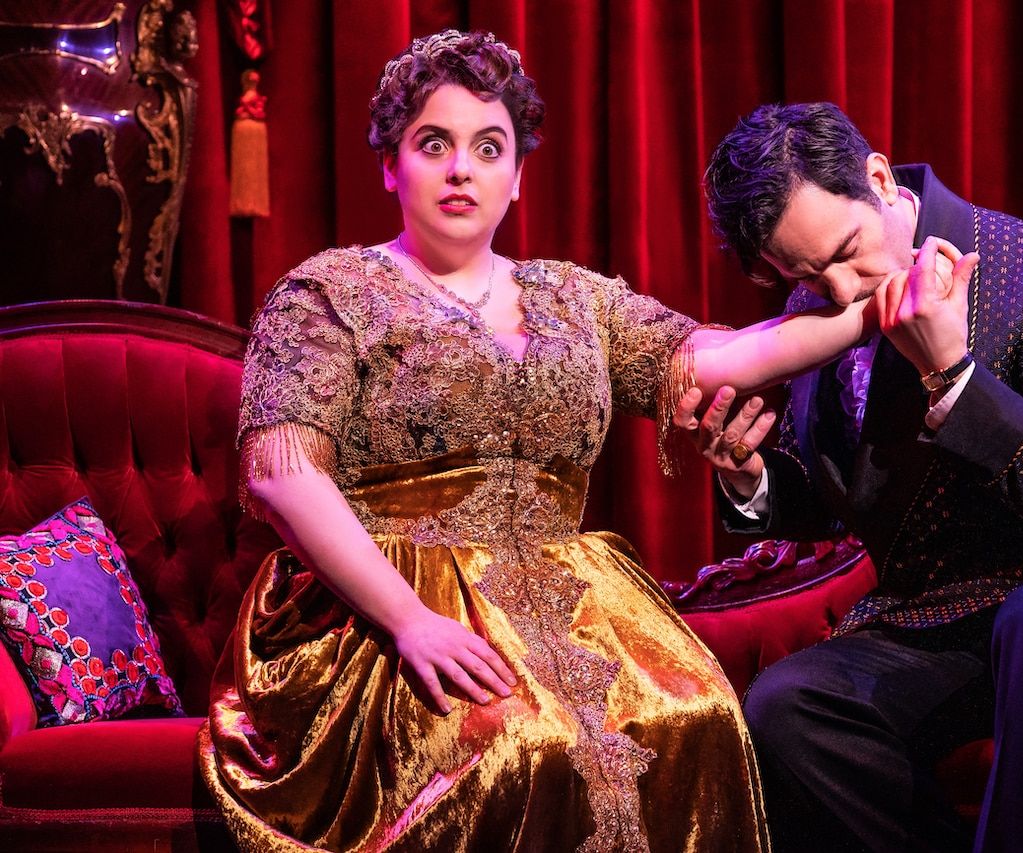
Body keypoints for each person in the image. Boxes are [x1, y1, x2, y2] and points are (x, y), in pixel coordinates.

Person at [198, 32, 889, 853]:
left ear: (519, 175)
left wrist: (875, 308)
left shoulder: (571, 296)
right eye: (434, 144)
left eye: (489, 148)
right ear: (391, 165)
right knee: (517, 743)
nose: (462, 169)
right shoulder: (326, 292)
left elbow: (717, 357)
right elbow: (283, 475)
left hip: (570, 601)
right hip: (384, 605)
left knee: (696, 714)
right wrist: (410, 620)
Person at [678, 101, 1023, 852]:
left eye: (847, 251)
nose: (841, 290)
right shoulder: (819, 306)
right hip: (943, 626)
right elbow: (850, 497)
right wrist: (753, 479)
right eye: (808, 275)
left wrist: (955, 378)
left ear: (878, 179)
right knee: (787, 706)